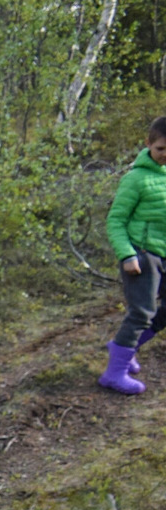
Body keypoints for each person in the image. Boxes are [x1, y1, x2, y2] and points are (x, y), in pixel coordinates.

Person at [101, 117, 166, 395]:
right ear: (148, 144)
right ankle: (113, 373)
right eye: (161, 148)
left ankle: (126, 348)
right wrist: (127, 255)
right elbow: (115, 221)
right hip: (142, 254)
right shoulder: (135, 179)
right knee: (141, 312)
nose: (165, 154)